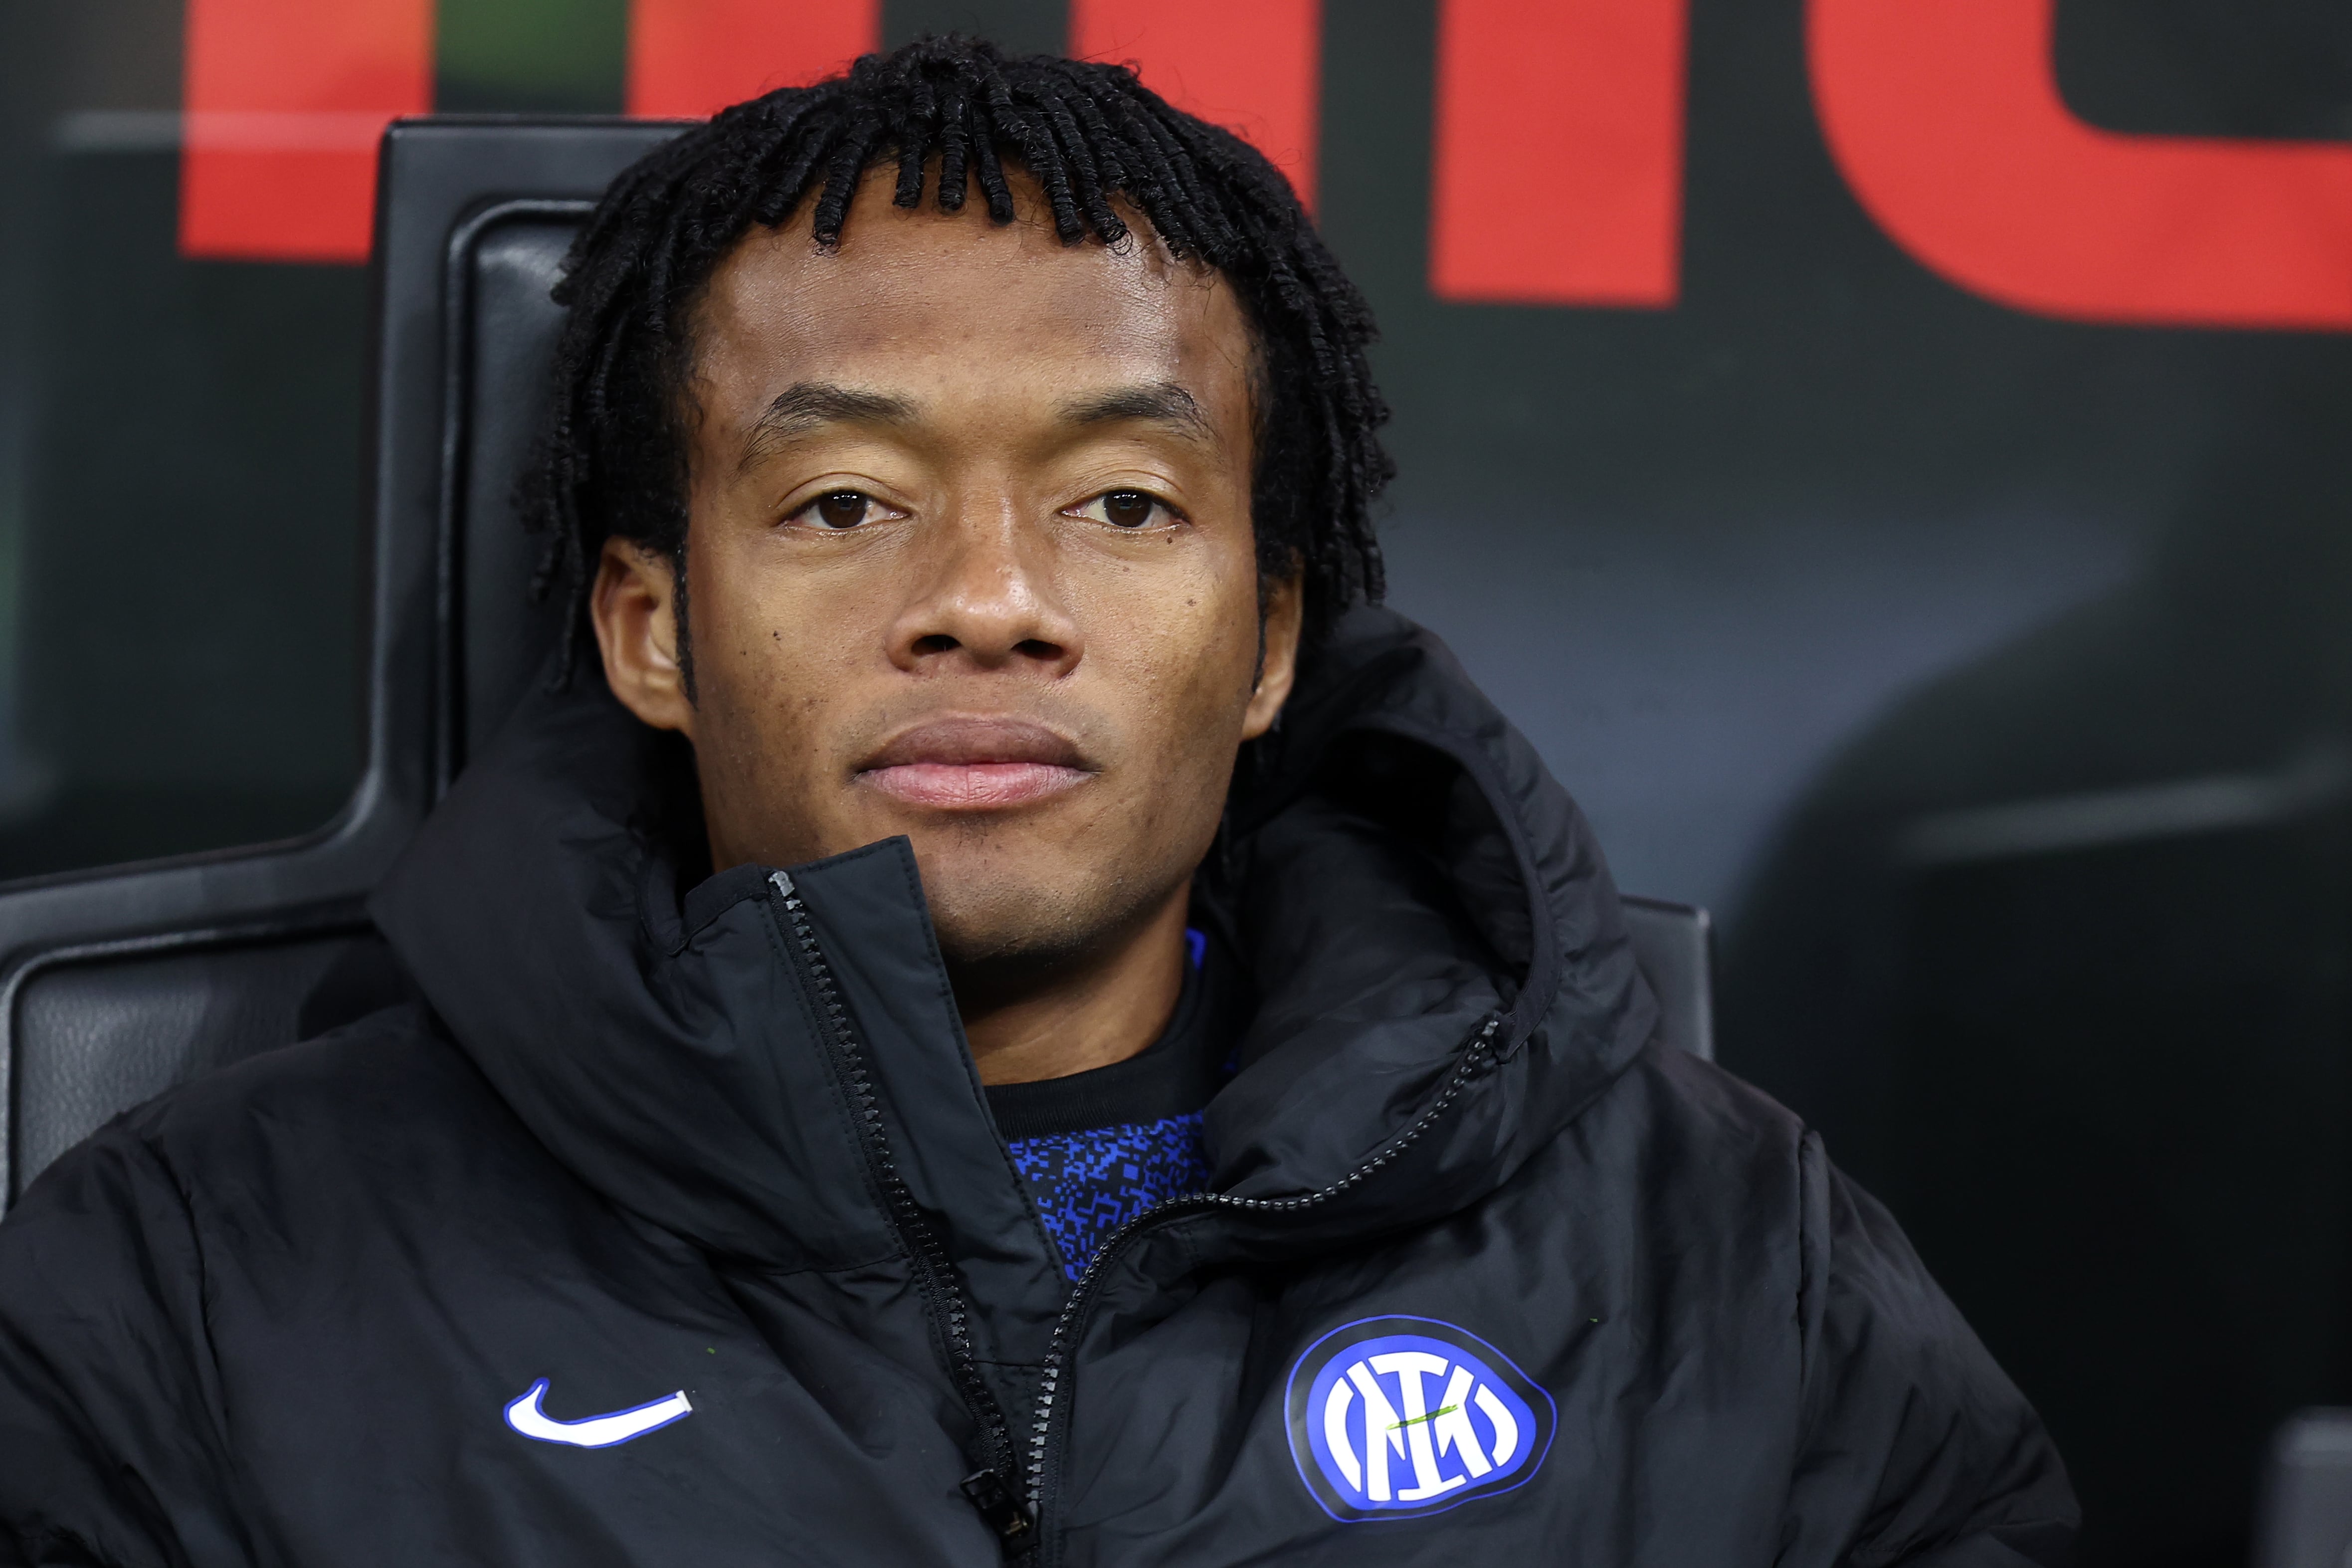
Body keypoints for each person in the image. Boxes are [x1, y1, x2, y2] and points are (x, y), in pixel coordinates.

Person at [0, 38, 2073, 1567]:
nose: (988, 602)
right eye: (842, 502)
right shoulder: (187, 1280)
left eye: (1117, 502)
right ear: (651, 630)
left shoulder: (1725, 1251)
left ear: (1266, 639)